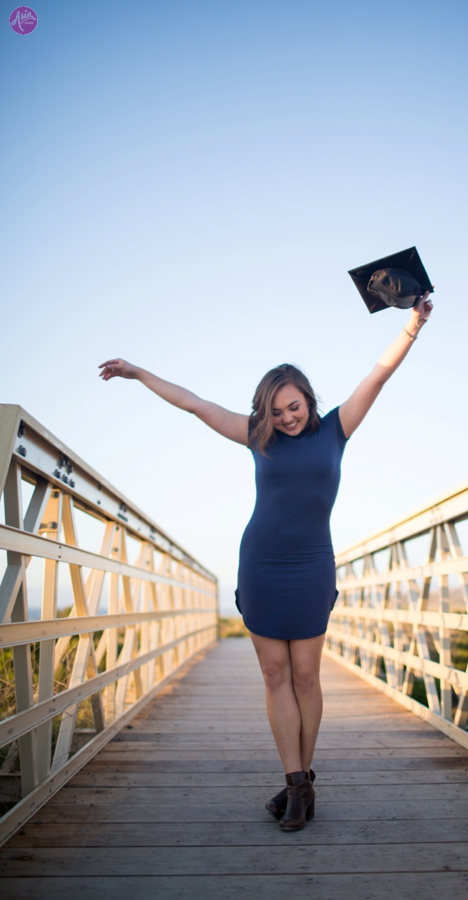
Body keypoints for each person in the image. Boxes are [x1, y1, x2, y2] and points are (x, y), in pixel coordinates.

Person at [99, 291, 433, 831]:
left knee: (306, 675)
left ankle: (300, 780)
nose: (287, 418)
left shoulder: (337, 430)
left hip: (310, 566)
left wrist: (414, 324)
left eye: (294, 407)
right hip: (261, 565)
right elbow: (193, 403)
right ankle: (297, 786)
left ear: (309, 400)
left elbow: (379, 373)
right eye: (276, 411)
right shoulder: (257, 437)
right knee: (275, 674)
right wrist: (138, 372)